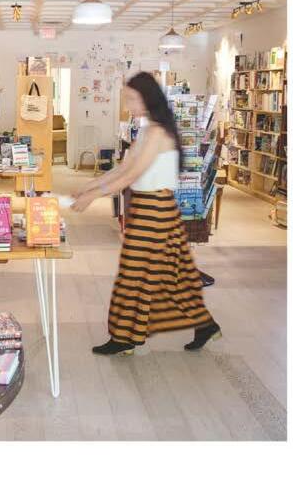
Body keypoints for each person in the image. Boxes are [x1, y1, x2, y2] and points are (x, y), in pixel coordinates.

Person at [72, 71, 221, 356]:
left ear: (147, 98)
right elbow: (124, 168)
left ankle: (125, 338)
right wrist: (89, 186)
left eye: (132, 99)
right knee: (169, 276)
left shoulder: (157, 133)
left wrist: (93, 195)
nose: (128, 105)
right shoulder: (146, 130)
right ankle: (205, 326)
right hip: (149, 209)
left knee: (135, 276)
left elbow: (131, 176)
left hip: (156, 212)